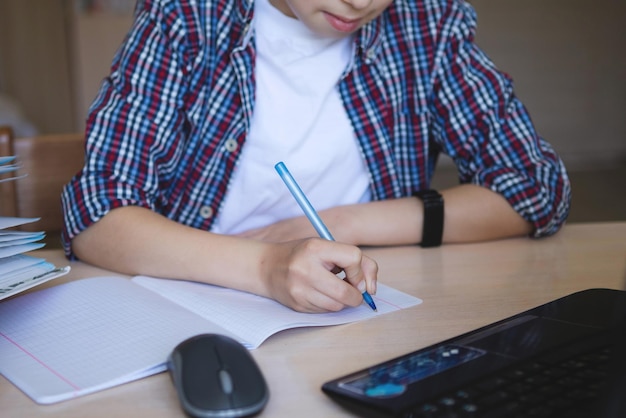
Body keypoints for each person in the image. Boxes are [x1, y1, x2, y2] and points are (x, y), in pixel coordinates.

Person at [61, 0, 571, 313]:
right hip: (203, 301)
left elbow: (534, 187)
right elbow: (97, 217)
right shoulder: (189, 14)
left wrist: (341, 222)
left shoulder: (425, 20)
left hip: (364, 308)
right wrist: (266, 266)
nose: (361, 2)